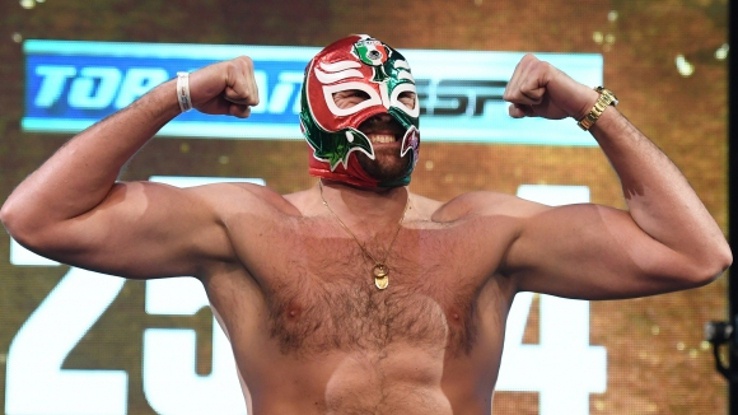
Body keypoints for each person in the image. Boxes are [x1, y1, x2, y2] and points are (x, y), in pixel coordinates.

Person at [0, 34, 732, 414]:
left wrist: (587, 106)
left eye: (398, 107)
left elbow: (695, 253)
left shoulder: (482, 233)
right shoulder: (247, 224)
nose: (385, 121)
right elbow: (36, 215)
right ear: (316, 120)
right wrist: (179, 94)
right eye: (362, 106)